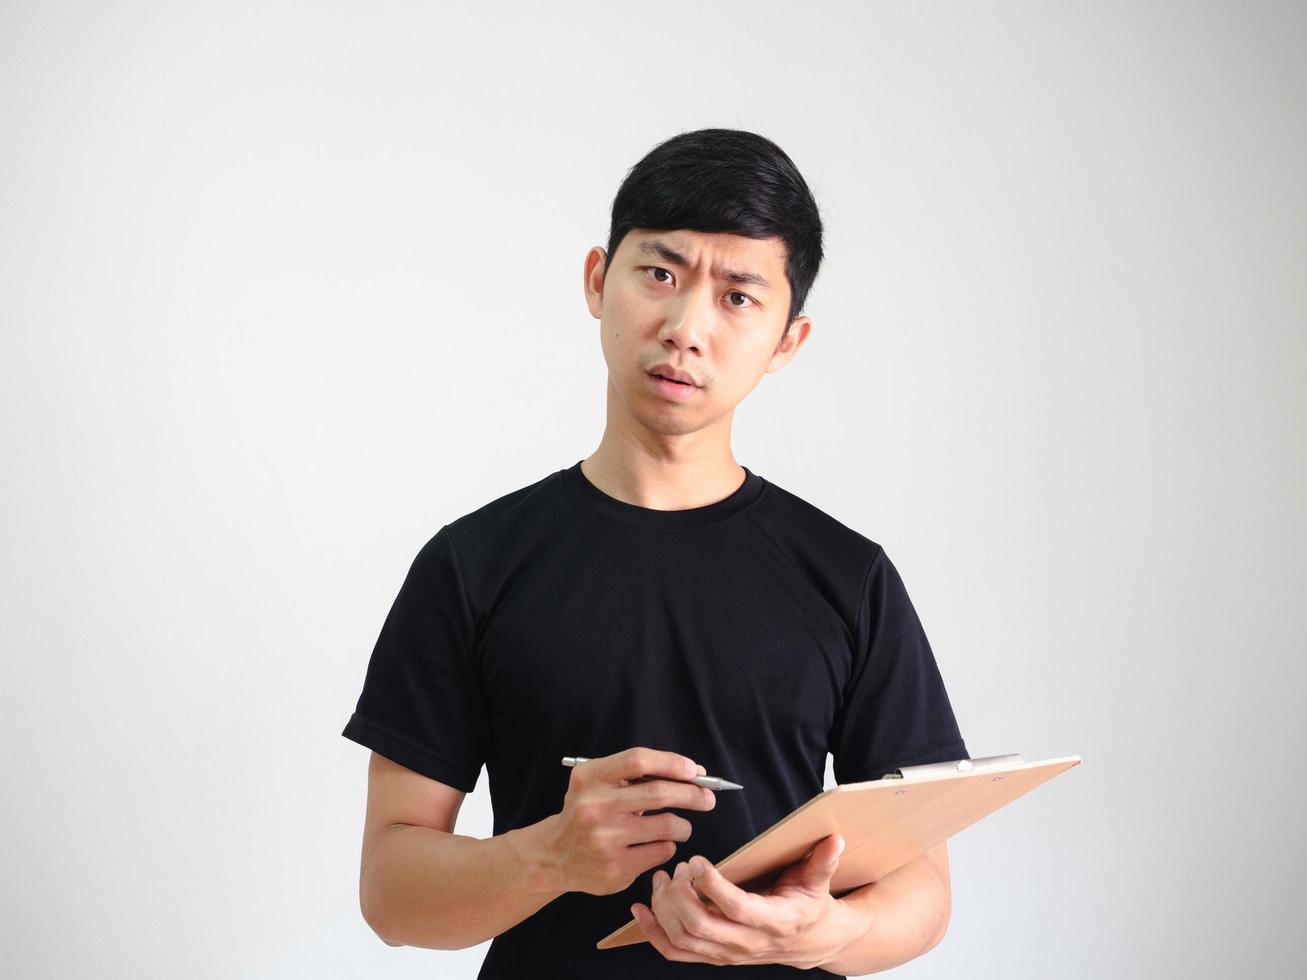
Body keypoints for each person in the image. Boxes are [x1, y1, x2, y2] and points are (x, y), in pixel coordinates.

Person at [341, 127, 968, 978]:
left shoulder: (848, 576)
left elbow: (923, 888)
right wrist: (553, 855)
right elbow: (391, 891)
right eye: (660, 274)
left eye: (738, 296)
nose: (685, 327)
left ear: (788, 339)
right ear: (599, 280)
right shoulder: (472, 564)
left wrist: (822, 935)